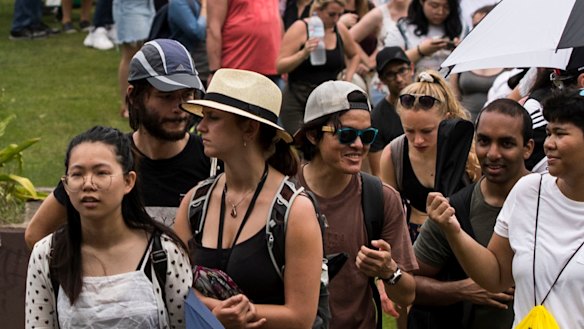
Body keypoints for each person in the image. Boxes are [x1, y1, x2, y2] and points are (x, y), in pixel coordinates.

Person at [25, 39, 212, 249]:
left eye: (187, 95)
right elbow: (36, 233)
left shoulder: (212, 161)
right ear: (133, 96)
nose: (178, 108)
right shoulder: (107, 158)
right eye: (166, 96)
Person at [176, 68, 323, 328]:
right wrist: (216, 313)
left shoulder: (294, 210)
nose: (200, 127)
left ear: (249, 129)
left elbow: (301, 316)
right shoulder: (194, 202)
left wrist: (235, 316)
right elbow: (174, 285)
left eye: (213, 118)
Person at [426, 88, 584, 329]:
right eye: (549, 133)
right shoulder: (528, 191)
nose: (549, 144)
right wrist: (452, 229)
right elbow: (496, 276)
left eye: (560, 134)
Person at [25, 126, 192, 328]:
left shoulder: (164, 252)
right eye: (77, 174)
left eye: (101, 173)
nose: (88, 184)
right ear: (66, 184)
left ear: (128, 181)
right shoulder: (47, 254)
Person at [294, 80, 417, 329]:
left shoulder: (381, 198)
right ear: (312, 134)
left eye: (367, 135)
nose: (359, 145)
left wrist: (389, 271)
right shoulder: (283, 194)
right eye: (347, 134)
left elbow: (406, 295)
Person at [410, 98, 535, 329]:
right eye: (484, 141)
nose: (493, 153)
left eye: (506, 143)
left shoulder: (552, 202)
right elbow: (409, 284)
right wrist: (462, 290)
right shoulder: (452, 212)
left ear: (528, 148)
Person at [379, 70, 480, 242]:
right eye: (409, 131)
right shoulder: (393, 154)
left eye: (427, 131)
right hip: (414, 238)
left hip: (460, 236)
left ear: (447, 120)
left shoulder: (468, 152)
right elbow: (389, 214)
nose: (418, 140)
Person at [277, 0, 360, 134]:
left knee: (323, 144)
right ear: (318, 10)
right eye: (331, 14)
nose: (336, 19)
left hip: (327, 101)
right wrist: (303, 54)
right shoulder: (301, 27)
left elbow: (355, 54)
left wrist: (348, 77)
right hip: (298, 98)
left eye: (340, 15)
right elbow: (280, 66)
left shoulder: (339, 29)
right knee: (300, 143)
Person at [349, 0, 410, 105]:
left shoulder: (421, 9)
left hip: (412, 76)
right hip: (387, 80)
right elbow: (349, 38)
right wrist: (369, 62)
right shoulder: (379, 13)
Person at [206, 0, 282, 84]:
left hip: (273, 71)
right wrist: (214, 71)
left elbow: (276, 20)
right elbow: (213, 29)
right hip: (236, 72)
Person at [449, 5, 504, 120]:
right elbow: (454, 98)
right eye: (475, 26)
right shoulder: (464, 57)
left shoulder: (510, 60)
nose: (478, 30)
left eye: (483, 24)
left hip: (495, 125)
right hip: (464, 124)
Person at [384, 0, 463, 75]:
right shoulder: (402, 29)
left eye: (447, 7)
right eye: (434, 6)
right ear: (422, 1)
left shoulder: (459, 28)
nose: (440, 12)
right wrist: (421, 51)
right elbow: (390, 63)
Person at [368, 46, 412, 176]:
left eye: (402, 71)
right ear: (382, 79)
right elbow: (379, 174)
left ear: (412, 69)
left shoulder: (430, 102)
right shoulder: (376, 118)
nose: (399, 79)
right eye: (391, 74)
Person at [113, 0, 156, 117]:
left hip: (148, 5)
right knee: (131, 54)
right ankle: (127, 104)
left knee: (147, 52)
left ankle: (143, 101)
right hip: (129, 6)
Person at [168, 0, 210, 86]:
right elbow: (197, 33)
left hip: (205, 64)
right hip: (191, 65)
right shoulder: (178, 3)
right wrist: (205, 7)